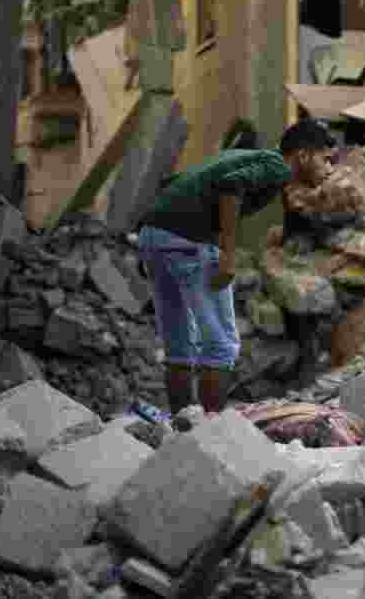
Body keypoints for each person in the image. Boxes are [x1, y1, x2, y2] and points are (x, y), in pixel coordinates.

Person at [138, 119, 335, 415]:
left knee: (180, 346)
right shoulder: (277, 166)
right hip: (188, 240)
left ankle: (177, 429)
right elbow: (230, 187)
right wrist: (228, 255)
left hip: (155, 234)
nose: (329, 169)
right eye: (326, 159)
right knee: (220, 346)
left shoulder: (245, 157)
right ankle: (212, 431)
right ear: (303, 156)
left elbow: (174, 182)